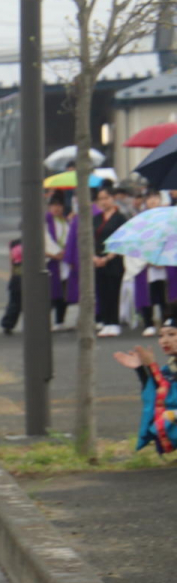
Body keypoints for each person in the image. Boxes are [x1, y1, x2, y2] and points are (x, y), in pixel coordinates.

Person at [113, 314, 177, 455]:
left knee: (169, 418)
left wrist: (151, 366)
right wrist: (141, 369)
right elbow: (155, 396)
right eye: (161, 336)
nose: (164, 341)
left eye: (171, 334)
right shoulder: (169, 369)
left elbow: (172, 397)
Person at [134, 190, 175, 337]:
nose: (152, 201)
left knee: (165, 293)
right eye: (149, 198)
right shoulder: (141, 219)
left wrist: (163, 259)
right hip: (147, 263)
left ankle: (167, 321)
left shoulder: (168, 217)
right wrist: (150, 259)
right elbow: (138, 242)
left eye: (155, 197)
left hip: (165, 262)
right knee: (149, 293)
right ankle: (149, 322)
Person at [93, 186, 128, 337]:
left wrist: (108, 257)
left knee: (114, 291)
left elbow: (122, 241)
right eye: (101, 199)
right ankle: (106, 322)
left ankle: (114, 322)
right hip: (97, 259)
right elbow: (90, 239)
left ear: (112, 199)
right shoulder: (96, 219)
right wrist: (94, 257)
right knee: (102, 292)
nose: (104, 202)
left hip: (114, 260)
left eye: (106, 198)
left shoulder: (120, 218)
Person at [44, 192, 75, 330]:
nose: (56, 208)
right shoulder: (45, 221)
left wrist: (66, 253)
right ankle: (45, 321)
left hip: (65, 261)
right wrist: (55, 254)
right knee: (50, 293)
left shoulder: (65, 221)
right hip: (51, 261)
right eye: (53, 205)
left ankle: (59, 321)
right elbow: (45, 241)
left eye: (59, 205)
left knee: (64, 292)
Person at [0, 239, 24, 335]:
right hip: (27, 273)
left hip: (17, 274)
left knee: (14, 302)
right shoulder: (34, 242)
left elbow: (12, 263)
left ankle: (7, 324)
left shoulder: (14, 244)